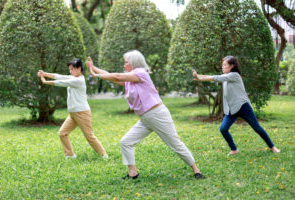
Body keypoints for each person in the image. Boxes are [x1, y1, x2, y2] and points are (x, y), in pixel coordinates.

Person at [87, 50, 204, 179]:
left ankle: (196, 170)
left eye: (126, 62)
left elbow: (117, 76)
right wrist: (94, 68)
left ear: (133, 63)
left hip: (157, 114)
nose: (124, 65)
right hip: (146, 118)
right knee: (126, 142)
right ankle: (133, 173)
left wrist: (96, 76)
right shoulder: (130, 77)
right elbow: (112, 76)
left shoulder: (140, 73)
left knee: (175, 144)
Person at [192, 56, 280, 155]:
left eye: (225, 65)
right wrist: (198, 76)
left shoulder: (234, 75)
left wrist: (199, 77)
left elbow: (216, 77)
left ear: (232, 66)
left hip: (243, 107)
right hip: (231, 109)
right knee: (223, 129)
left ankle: (272, 147)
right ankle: (234, 149)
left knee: (257, 128)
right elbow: (215, 76)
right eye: (222, 65)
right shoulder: (226, 76)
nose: (222, 67)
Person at [37, 58, 108, 159]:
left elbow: (60, 82)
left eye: (72, 69)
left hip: (82, 112)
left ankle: (104, 155)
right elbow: (59, 76)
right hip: (73, 113)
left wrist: (44, 81)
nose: (70, 71)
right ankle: (70, 155)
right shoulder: (72, 77)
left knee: (89, 136)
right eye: (69, 69)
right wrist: (44, 73)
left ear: (79, 68)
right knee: (62, 133)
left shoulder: (78, 80)